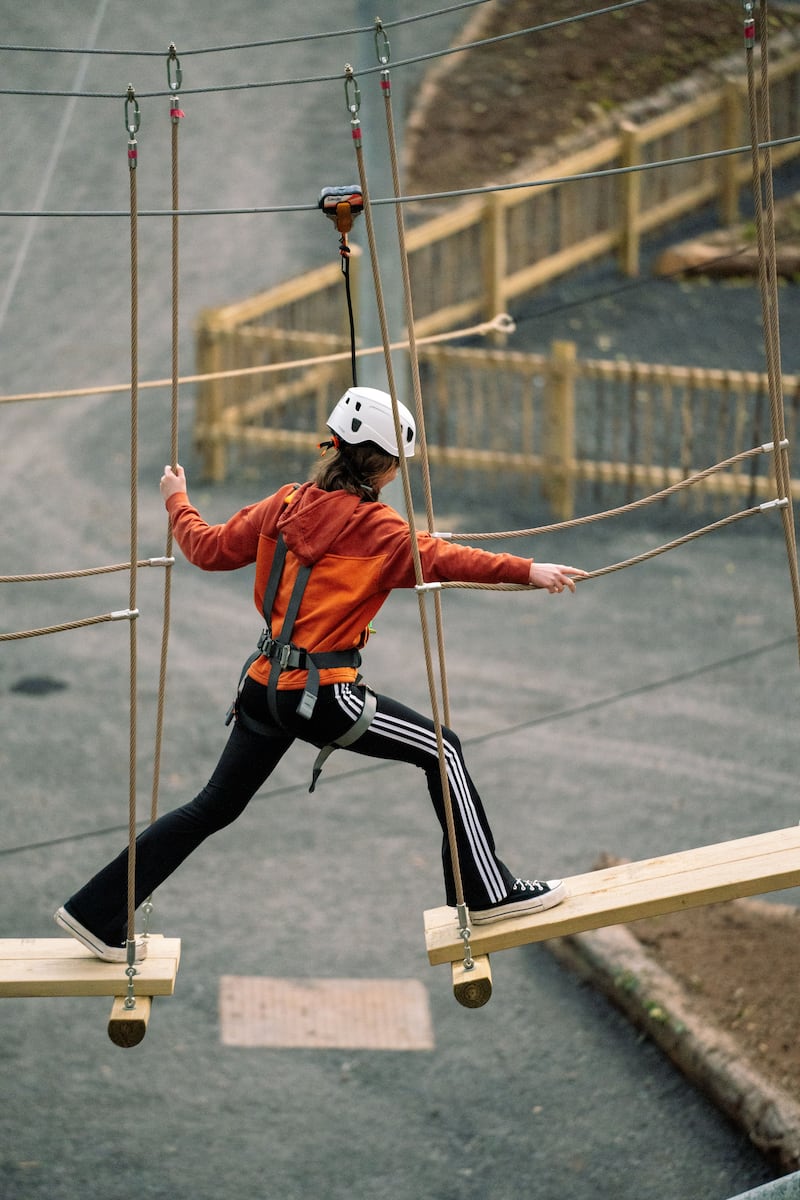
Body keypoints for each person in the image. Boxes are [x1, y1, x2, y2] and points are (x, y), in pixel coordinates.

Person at [55, 386, 587, 963]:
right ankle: (487, 892)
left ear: (332, 444)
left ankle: (94, 912)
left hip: (262, 687)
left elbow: (205, 549)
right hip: (325, 696)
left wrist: (177, 500)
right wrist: (528, 569)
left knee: (212, 807)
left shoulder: (283, 505)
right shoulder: (379, 533)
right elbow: (446, 558)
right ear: (385, 471)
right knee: (443, 750)